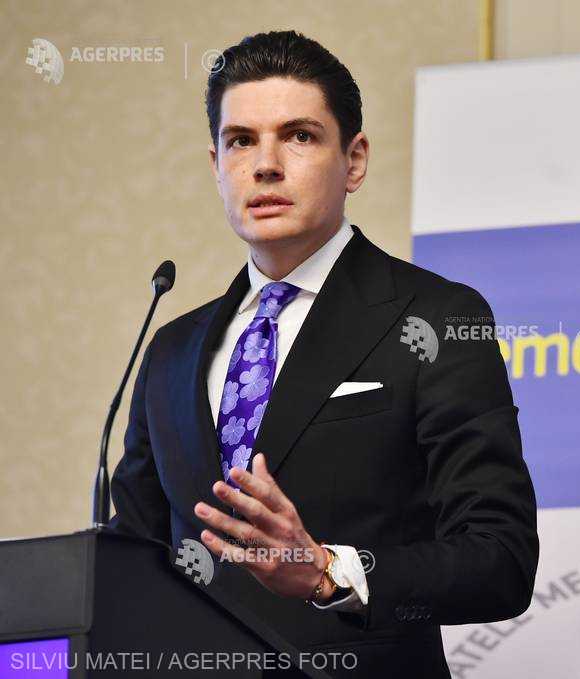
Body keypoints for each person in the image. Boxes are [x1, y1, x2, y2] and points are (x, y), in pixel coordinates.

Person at [109, 29, 538, 677]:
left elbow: (500, 560)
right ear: (217, 165)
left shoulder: (434, 318)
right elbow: (131, 560)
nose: (265, 165)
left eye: (299, 136)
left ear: (354, 160)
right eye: (241, 141)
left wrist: (326, 571)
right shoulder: (171, 349)